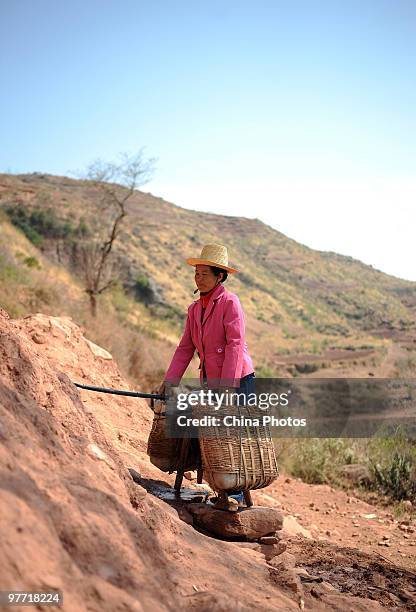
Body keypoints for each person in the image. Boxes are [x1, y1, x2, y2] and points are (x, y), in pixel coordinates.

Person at [159, 243, 255, 508]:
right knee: (212, 437)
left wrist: (227, 387)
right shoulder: (194, 309)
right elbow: (185, 348)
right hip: (212, 381)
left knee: (231, 436)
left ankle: (235, 498)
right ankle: (220, 492)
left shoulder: (230, 303)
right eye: (196, 273)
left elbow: (235, 345)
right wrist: (170, 381)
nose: (198, 278)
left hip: (237, 380)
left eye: (204, 273)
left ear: (219, 276)